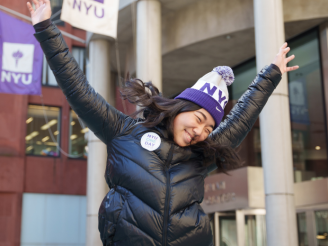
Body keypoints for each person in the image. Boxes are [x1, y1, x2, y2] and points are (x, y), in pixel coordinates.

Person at [27, 0, 299, 245]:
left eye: (208, 129)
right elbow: (79, 91)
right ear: (182, 107)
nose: (200, 132)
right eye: (200, 119)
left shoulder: (200, 157)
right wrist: (46, 29)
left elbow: (242, 119)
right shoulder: (125, 133)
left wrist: (271, 75)